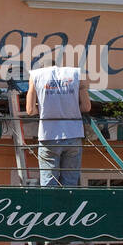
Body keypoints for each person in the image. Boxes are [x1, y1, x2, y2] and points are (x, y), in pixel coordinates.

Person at [25, 56, 91, 187]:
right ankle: (69, 207)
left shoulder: (35, 75)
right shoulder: (76, 74)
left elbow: (30, 110)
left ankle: (51, 207)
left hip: (49, 134)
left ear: (42, 68)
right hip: (73, 133)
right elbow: (86, 107)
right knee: (71, 182)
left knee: (49, 183)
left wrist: (43, 108)